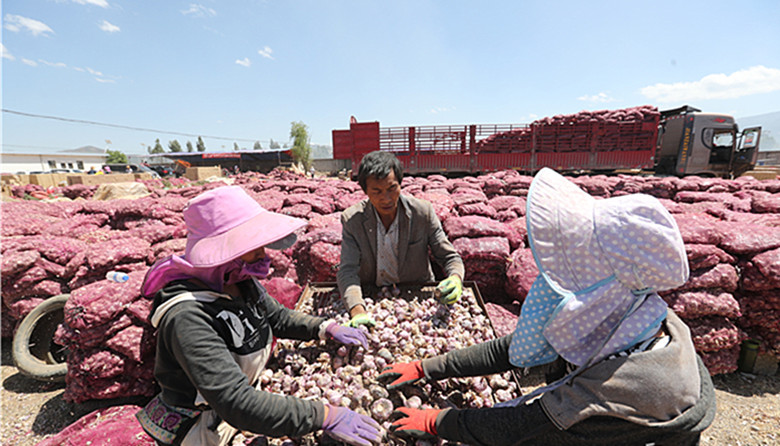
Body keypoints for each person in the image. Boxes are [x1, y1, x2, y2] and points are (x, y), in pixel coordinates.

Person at [376, 168, 716, 446]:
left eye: (572, 273)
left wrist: (440, 421)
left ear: (605, 285)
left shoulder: (623, 390)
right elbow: (515, 348)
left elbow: (522, 426)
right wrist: (429, 367)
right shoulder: (628, 318)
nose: (549, 284)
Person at [137, 186, 382, 446]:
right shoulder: (187, 317)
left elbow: (277, 318)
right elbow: (237, 402)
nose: (262, 255)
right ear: (223, 251)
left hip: (244, 408)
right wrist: (324, 414)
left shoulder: (238, 281)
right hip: (204, 427)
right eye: (253, 247)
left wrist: (325, 327)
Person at [337, 150, 465, 328]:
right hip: (372, 297)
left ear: (400, 184)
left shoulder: (422, 213)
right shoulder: (352, 220)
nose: (386, 198)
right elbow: (347, 271)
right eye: (377, 191)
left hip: (417, 296)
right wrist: (358, 311)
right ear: (365, 191)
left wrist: (456, 278)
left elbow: (449, 257)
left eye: (392, 188)